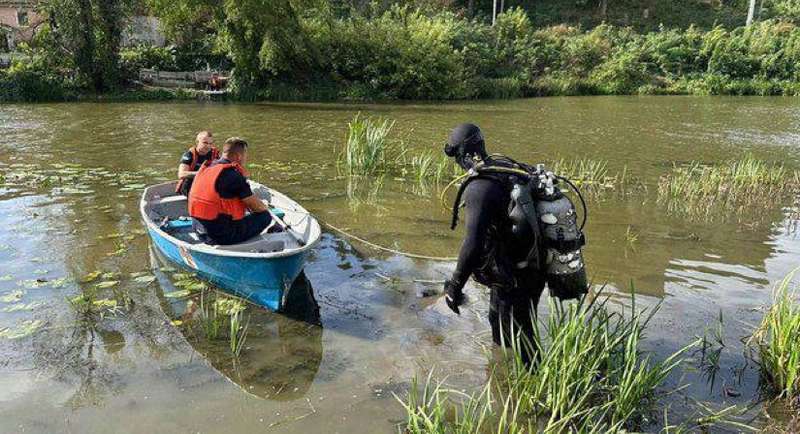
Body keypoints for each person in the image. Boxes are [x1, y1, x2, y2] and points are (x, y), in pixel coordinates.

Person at [442, 123, 546, 364]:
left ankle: (536, 390)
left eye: (455, 155)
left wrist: (455, 287)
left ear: (462, 153)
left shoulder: (479, 187)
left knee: (521, 335)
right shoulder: (505, 169)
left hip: (518, 273)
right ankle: (500, 376)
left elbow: (473, 243)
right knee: (496, 319)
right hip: (522, 267)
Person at [188, 137, 273, 245]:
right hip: (220, 237)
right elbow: (258, 207)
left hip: (199, 231)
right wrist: (264, 206)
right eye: (245, 156)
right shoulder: (233, 176)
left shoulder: (207, 167)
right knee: (264, 216)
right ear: (239, 156)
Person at [177, 131, 219, 196]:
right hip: (190, 186)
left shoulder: (215, 154)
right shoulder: (189, 155)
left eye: (210, 144)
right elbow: (181, 174)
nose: (208, 146)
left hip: (206, 186)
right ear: (197, 142)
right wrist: (202, 173)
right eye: (205, 143)